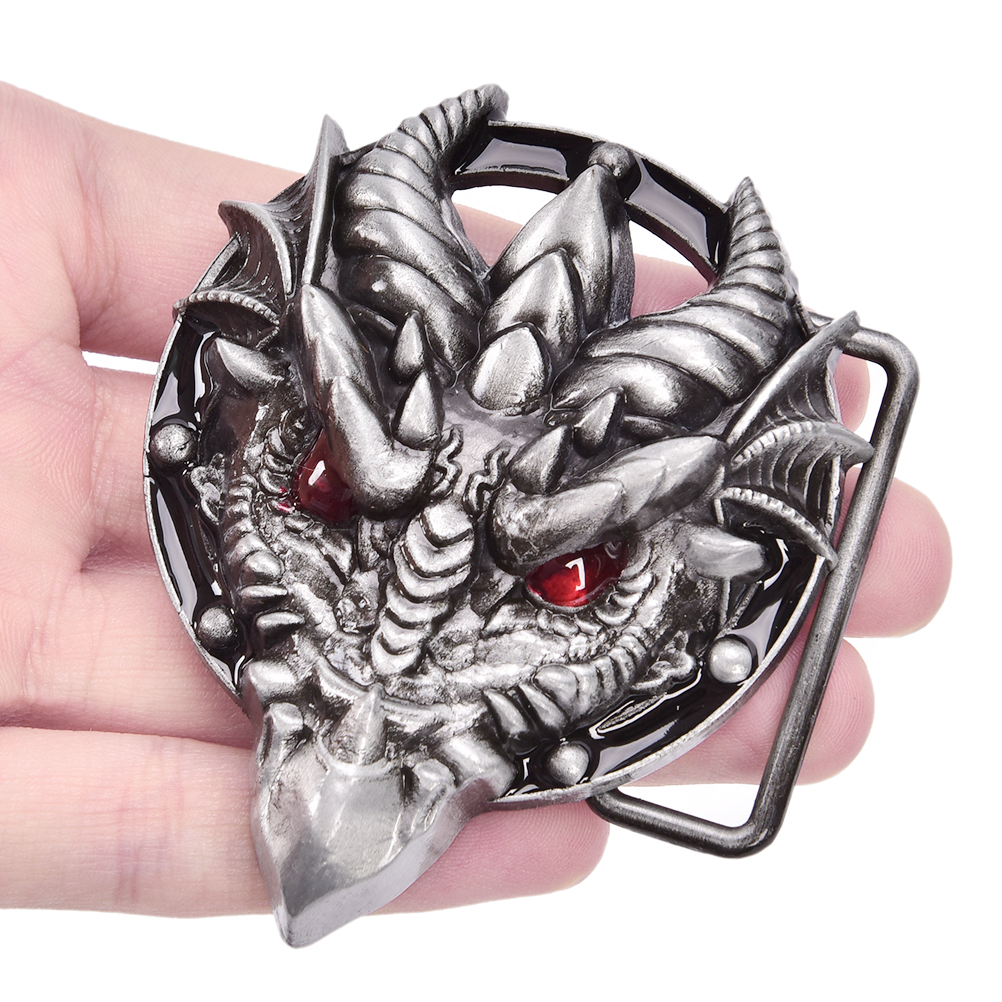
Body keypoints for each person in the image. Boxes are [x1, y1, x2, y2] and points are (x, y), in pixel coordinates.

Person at [0, 84, 951, 920]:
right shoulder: (302, 420)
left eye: (574, 573)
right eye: (330, 484)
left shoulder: (671, 549)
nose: (369, 713)